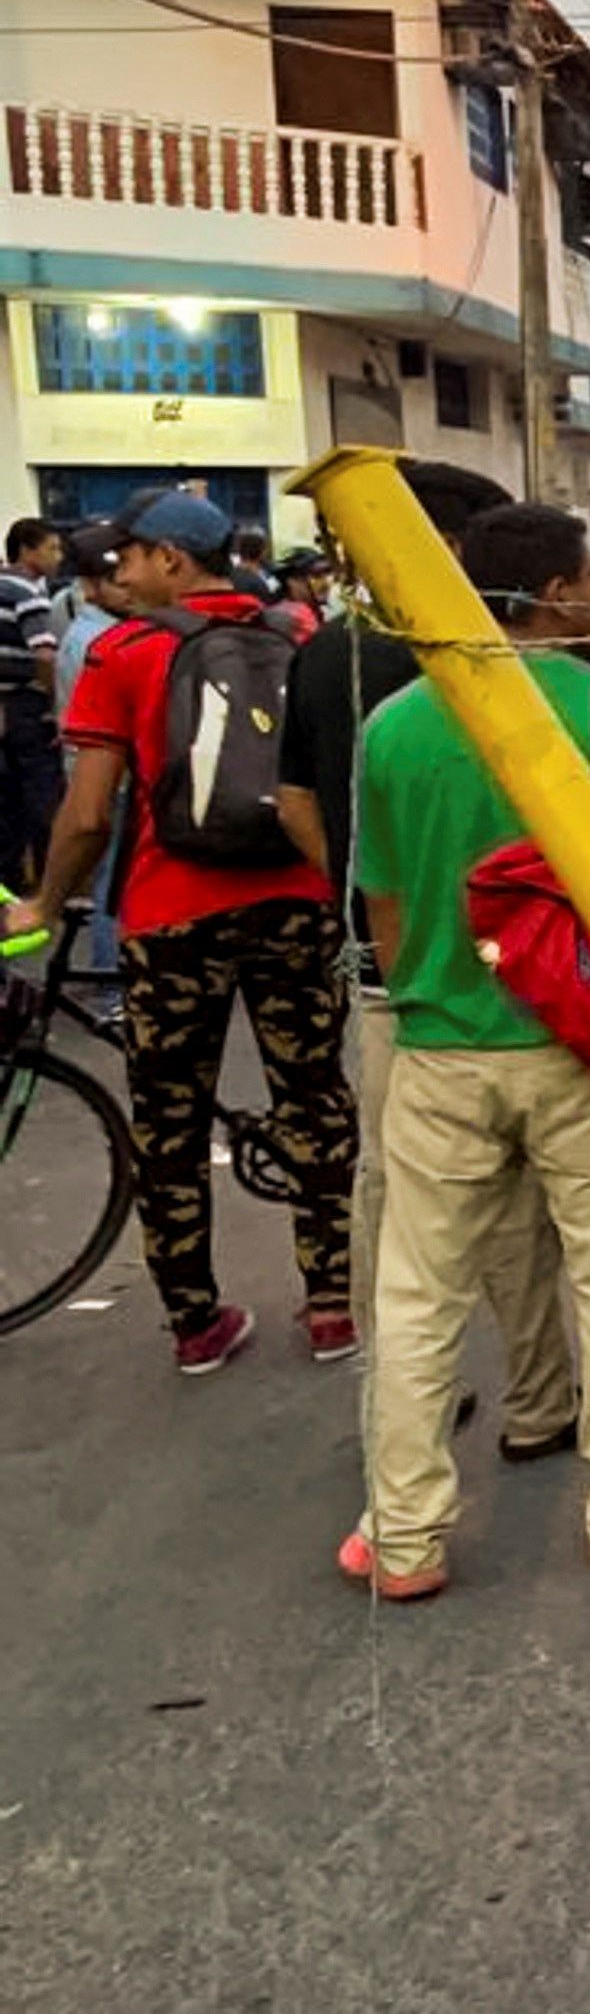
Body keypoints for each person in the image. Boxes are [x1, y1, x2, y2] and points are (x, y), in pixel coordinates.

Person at [339, 502, 590, 1596]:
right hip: (585, 1046)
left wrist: (431, 987)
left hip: (437, 1044)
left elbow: (379, 906)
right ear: (555, 591)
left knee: (418, 1293)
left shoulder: (396, 725)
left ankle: (403, 1534)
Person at [5, 491, 359, 1372]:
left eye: (129, 554)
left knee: (168, 1120)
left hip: (173, 917)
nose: (114, 571)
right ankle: (331, 1307)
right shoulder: (304, 639)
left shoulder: (124, 654)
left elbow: (88, 814)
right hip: (296, 901)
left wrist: (45, 904)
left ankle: (196, 1322)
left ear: (173, 560)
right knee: (314, 1098)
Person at [277, 458, 582, 1429]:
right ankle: (541, 1399)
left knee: (392, 1196)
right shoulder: (490, 665)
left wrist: (376, 905)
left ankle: (404, 1393)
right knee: (518, 1201)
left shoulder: (326, 653)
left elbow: (293, 804)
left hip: (385, 977)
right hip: (514, 972)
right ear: (446, 547)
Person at [1, 517, 63, 889]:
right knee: (41, 794)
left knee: (5, 799)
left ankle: (9, 879)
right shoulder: (28, 593)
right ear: (27, 550)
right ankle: (50, 880)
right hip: (25, 705)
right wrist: (53, 704)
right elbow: (44, 654)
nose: (58, 557)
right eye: (52, 548)